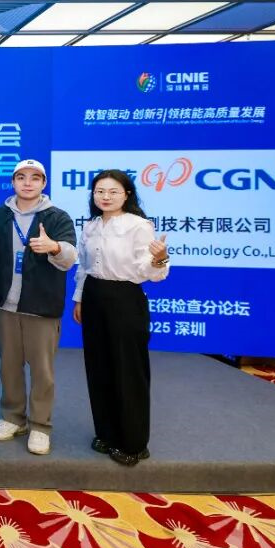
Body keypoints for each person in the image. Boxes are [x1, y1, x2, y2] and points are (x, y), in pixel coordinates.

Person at [73, 169, 169, 467]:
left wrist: (159, 259)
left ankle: (133, 443)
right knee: (98, 367)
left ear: (127, 194)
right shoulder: (91, 226)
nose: (105, 196)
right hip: (94, 295)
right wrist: (79, 298)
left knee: (128, 369)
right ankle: (106, 432)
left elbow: (149, 271)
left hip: (125, 298)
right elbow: (84, 266)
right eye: (99, 191)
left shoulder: (138, 225)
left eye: (113, 191)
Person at [0, 159, 78, 456]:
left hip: (41, 306)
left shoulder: (57, 217)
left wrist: (54, 247)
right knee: (9, 366)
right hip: (5, 305)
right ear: (13, 182)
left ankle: (40, 425)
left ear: (44, 183)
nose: (27, 183)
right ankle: (13, 417)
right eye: (21, 177)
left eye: (35, 178)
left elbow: (70, 257)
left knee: (42, 370)